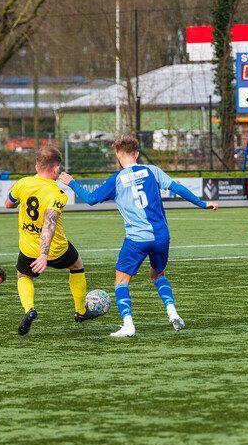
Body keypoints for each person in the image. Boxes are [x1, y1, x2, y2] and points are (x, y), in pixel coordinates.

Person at [59, 135, 219, 338]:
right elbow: (177, 188)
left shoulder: (116, 179)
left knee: (121, 281)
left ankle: (128, 325)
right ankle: (173, 313)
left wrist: (72, 183)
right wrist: (203, 204)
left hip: (137, 239)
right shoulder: (152, 171)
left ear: (118, 155)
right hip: (161, 237)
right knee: (157, 275)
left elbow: (90, 199)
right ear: (136, 154)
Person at [5, 146, 88, 336]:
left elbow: (8, 204)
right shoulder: (58, 194)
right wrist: (44, 255)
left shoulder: (22, 184)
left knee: (23, 276)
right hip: (55, 249)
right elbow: (49, 225)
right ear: (56, 169)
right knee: (76, 265)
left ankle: (29, 309)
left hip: (28, 249)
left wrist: (20, 196)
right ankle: (81, 312)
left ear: (37, 166)